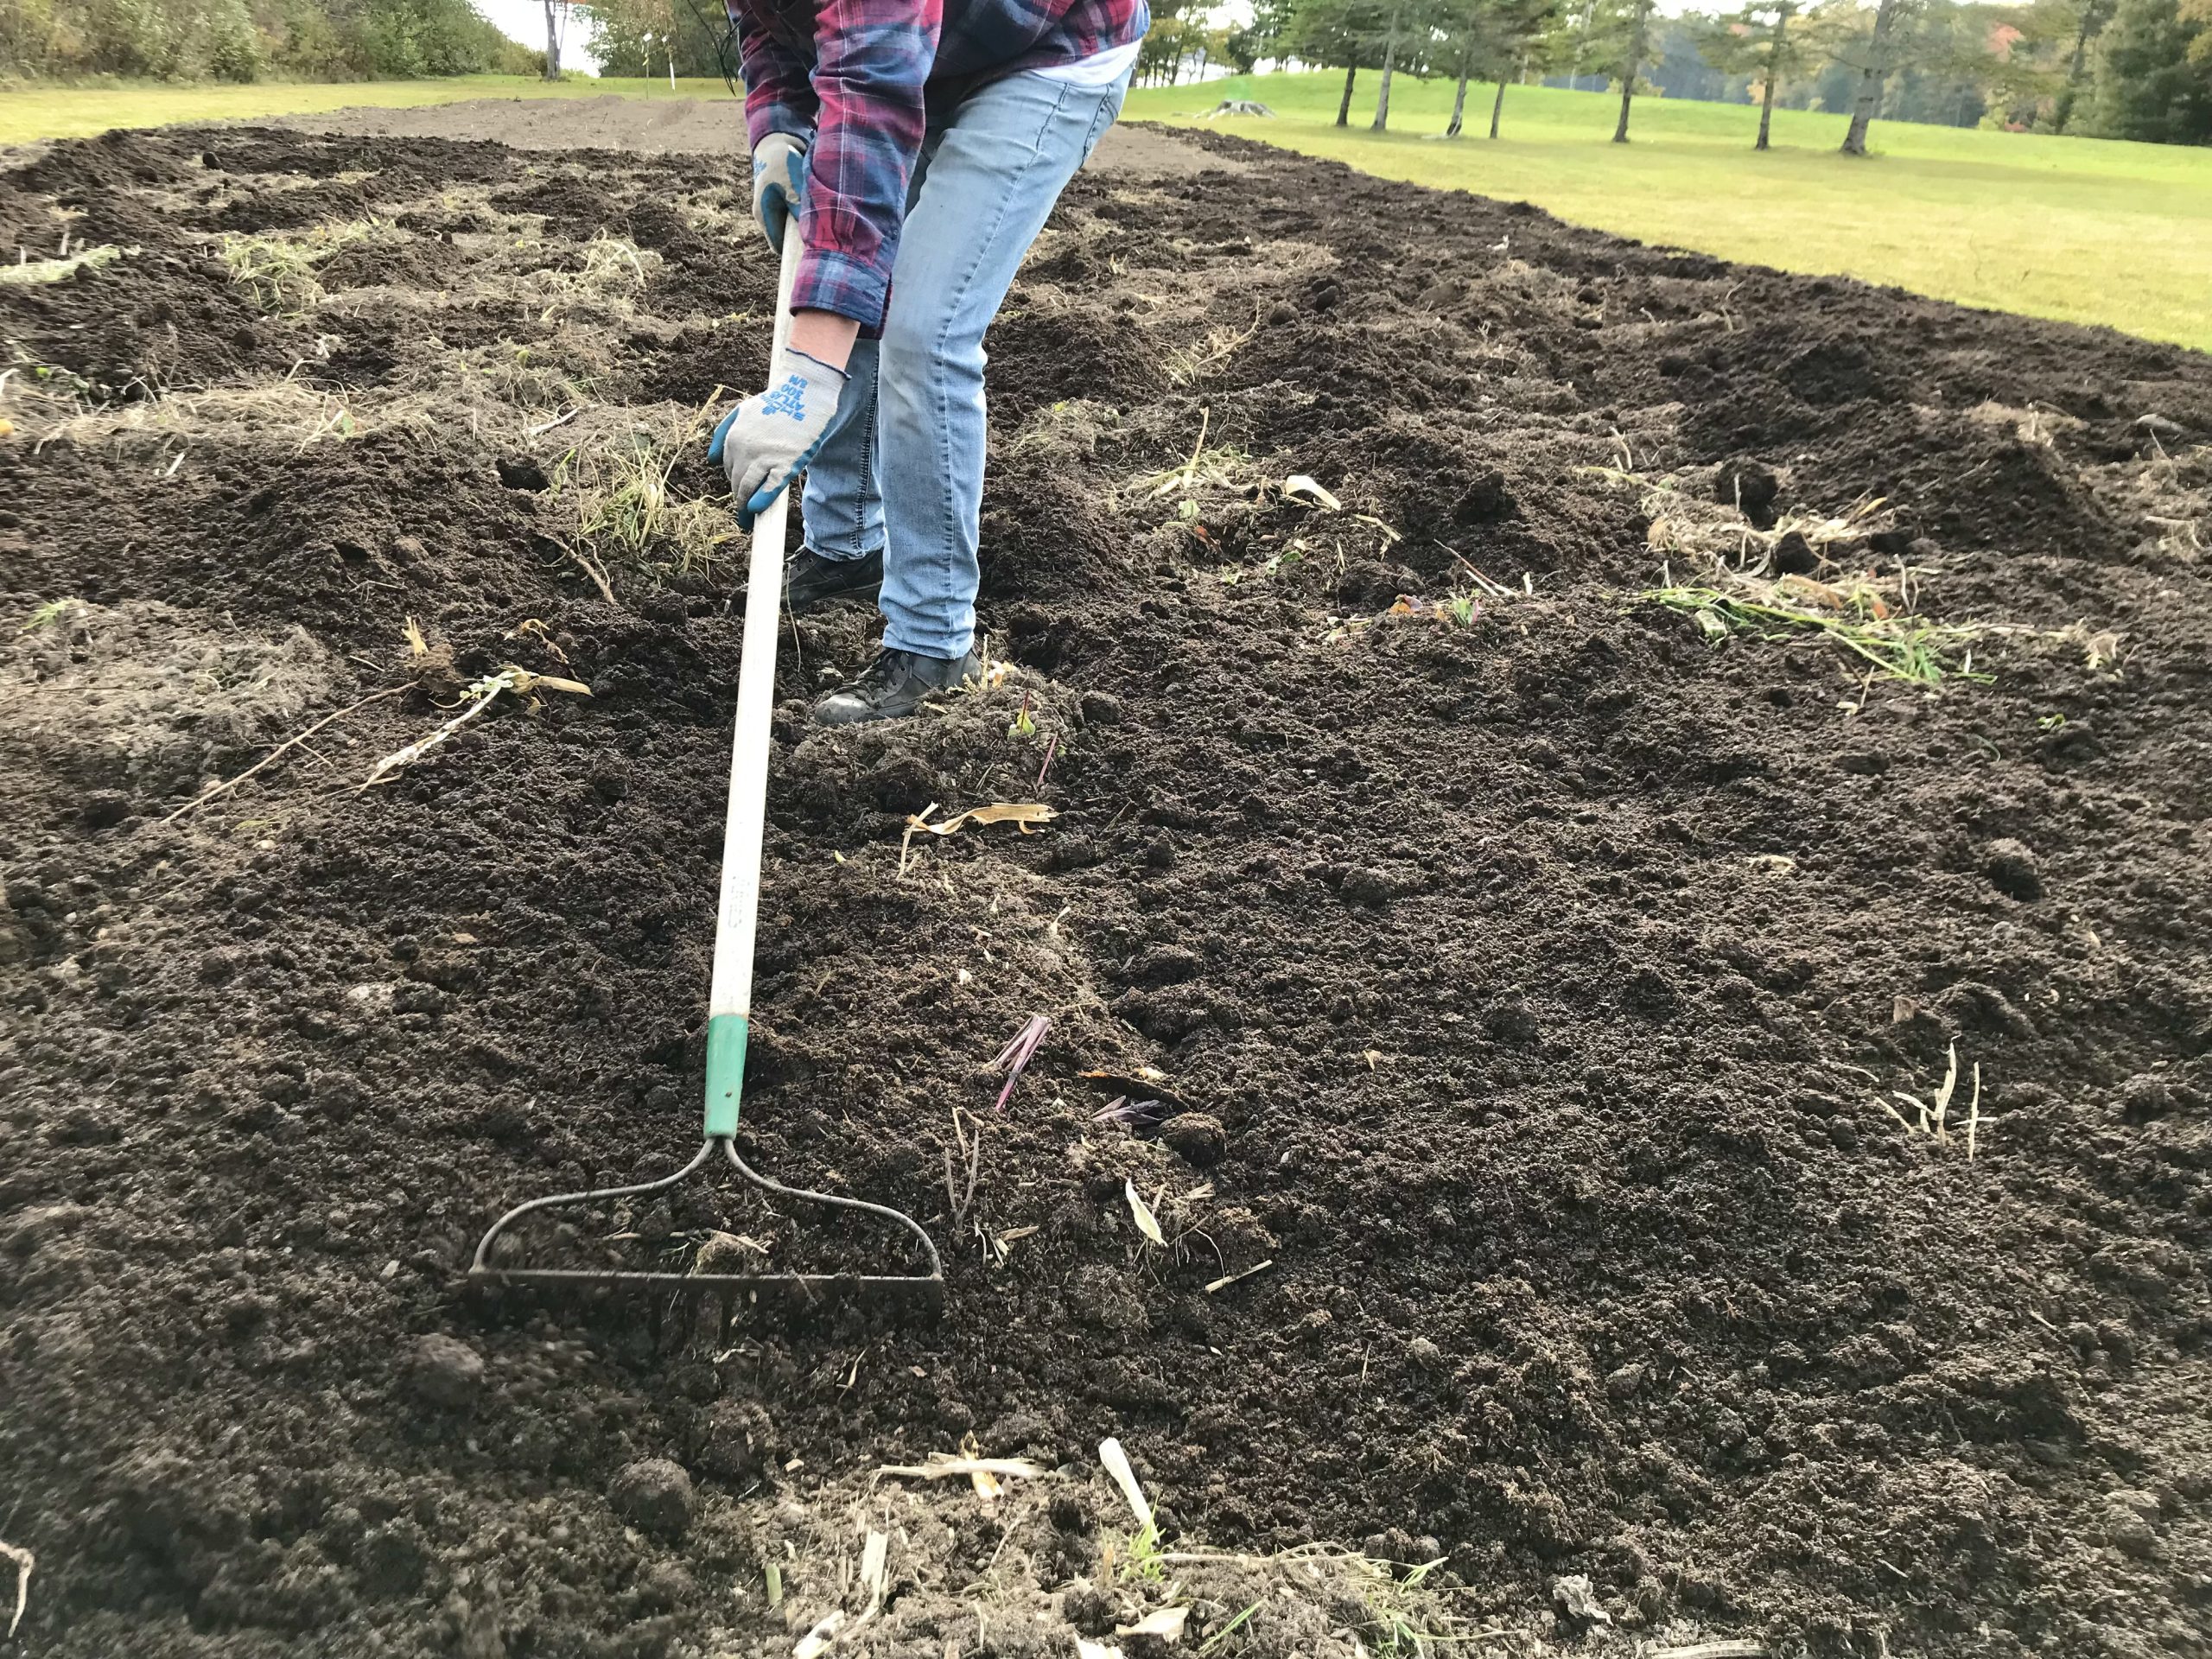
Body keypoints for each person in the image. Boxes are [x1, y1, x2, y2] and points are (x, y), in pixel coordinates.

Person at [709, 0, 1148, 726]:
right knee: (862, 292)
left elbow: (869, 103)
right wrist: (779, 125)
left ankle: (935, 643)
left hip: (1046, 52)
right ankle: (847, 548)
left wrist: (805, 384)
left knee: (924, 328)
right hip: (925, 55)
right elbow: (768, 22)